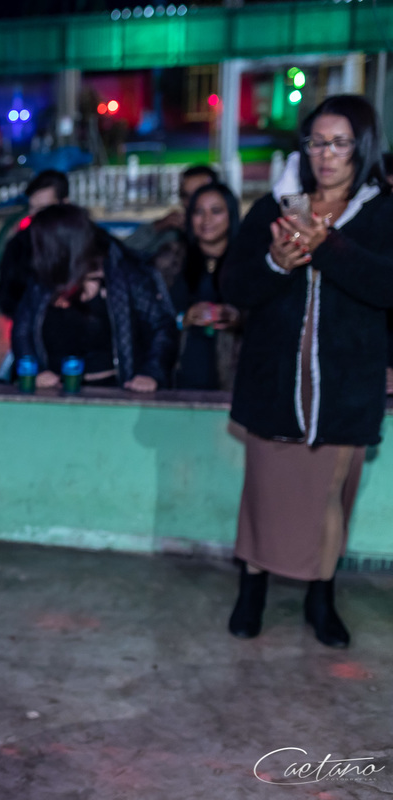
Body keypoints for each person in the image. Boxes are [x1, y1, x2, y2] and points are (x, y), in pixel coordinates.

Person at [221, 95, 393, 648]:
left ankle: (322, 598)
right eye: (317, 142)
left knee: (328, 499)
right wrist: (276, 263)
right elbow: (233, 284)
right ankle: (252, 589)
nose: (326, 154)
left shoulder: (381, 212)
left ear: (362, 147)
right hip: (275, 382)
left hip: (344, 387)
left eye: (340, 143)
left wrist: (329, 247)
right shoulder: (278, 206)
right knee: (264, 493)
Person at [12, 204, 177, 392]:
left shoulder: (124, 274)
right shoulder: (42, 282)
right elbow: (22, 332)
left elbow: (162, 326)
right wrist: (36, 371)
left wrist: (151, 373)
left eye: (40, 243)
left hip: (116, 391)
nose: (35, 250)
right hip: (56, 391)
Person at [169, 182, 243, 390]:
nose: (206, 220)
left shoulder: (249, 263)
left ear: (231, 215)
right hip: (179, 379)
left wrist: (238, 319)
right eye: (198, 212)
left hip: (235, 381)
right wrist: (183, 319)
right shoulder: (171, 260)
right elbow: (150, 318)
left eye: (216, 211)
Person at [0, 168, 69, 321]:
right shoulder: (19, 244)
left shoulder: (85, 240)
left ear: (64, 203)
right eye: (32, 208)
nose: (34, 215)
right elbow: (5, 296)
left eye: (43, 208)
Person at [124, 164, 218, 260]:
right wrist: (156, 227)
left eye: (198, 195)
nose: (191, 202)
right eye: (185, 196)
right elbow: (121, 255)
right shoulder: (173, 232)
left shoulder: (223, 229)